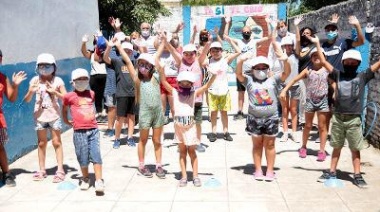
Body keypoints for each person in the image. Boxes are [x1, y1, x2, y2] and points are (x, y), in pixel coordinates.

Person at [316, 47, 380, 188]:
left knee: (355, 148)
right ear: (343, 62)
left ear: (358, 63)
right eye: (348, 62)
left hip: (354, 119)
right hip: (338, 118)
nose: (350, 64)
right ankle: (332, 172)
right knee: (336, 147)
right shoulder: (338, 74)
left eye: (353, 62)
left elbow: (377, 65)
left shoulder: (362, 76)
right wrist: (316, 43)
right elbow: (322, 61)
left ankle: (357, 175)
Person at [236, 38, 291, 181]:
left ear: (268, 69)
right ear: (253, 69)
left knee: (270, 144)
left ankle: (270, 171)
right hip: (254, 119)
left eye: (263, 68)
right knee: (257, 145)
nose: (261, 70)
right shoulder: (249, 81)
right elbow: (239, 75)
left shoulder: (273, 79)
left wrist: (285, 61)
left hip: (271, 118)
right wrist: (240, 61)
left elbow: (286, 74)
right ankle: (258, 170)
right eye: (258, 68)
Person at [158, 62, 218, 187]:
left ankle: (195, 176)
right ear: (178, 83)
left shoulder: (193, 93)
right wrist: (162, 69)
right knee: (182, 152)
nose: (185, 84)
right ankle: (184, 176)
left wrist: (214, 75)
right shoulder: (174, 92)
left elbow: (206, 86)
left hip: (190, 128)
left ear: (192, 84)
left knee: (192, 152)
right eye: (182, 82)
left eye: (188, 83)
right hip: (178, 127)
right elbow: (163, 82)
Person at [115, 38, 166, 179]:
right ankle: (142, 165)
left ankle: (159, 165)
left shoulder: (156, 76)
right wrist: (119, 47)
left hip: (157, 114)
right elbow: (128, 61)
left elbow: (156, 56)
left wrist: (164, 41)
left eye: (146, 64)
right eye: (140, 64)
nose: (143, 66)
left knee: (157, 140)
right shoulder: (137, 79)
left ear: (151, 65)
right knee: (143, 140)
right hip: (144, 114)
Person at [280, 37, 332, 162]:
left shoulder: (327, 70)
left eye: (318, 55)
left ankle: (321, 150)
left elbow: (334, 83)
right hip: (310, 101)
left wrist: (336, 93)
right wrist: (285, 89)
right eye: (313, 55)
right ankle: (303, 146)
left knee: (322, 126)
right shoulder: (308, 70)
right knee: (307, 125)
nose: (316, 57)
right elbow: (294, 80)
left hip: (323, 101)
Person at [23, 53, 66, 183]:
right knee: (41, 143)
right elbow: (26, 100)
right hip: (40, 117)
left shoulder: (58, 81)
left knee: (56, 142)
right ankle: (42, 170)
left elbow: (66, 98)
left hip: (54, 116)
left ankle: (60, 170)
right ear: (37, 67)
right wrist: (31, 91)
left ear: (53, 67)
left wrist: (55, 92)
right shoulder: (34, 81)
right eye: (41, 66)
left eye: (47, 66)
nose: (44, 68)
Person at [62, 68, 104, 193]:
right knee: (82, 156)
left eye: (84, 79)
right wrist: (66, 121)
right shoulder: (69, 96)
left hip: (93, 130)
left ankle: (99, 180)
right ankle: (85, 178)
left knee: (96, 154)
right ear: (73, 82)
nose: (81, 81)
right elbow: (64, 110)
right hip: (79, 132)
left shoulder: (91, 94)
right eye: (78, 79)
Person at [223, 15, 272, 120]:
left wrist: (268, 22)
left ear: (251, 33)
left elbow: (269, 37)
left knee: (256, 91)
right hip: (241, 71)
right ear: (242, 33)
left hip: (253, 72)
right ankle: (240, 112)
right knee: (241, 92)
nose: (246, 34)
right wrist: (227, 22)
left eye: (248, 32)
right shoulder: (239, 41)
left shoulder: (254, 42)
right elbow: (225, 36)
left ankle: (257, 112)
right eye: (244, 32)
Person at [199, 36, 241, 142]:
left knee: (224, 112)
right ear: (210, 52)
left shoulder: (226, 60)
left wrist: (230, 41)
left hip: (224, 91)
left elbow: (238, 51)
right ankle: (213, 132)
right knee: (213, 112)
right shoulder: (208, 61)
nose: (216, 52)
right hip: (212, 91)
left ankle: (226, 132)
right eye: (213, 50)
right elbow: (199, 61)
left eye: (218, 50)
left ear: (221, 51)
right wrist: (206, 46)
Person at [0, 49, 27, 186]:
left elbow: (11, 98)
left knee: (0, 147)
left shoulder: (3, 78)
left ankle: (6, 174)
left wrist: (15, 85)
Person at [103, 39, 137, 149]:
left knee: (132, 117)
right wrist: (109, 47)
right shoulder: (117, 61)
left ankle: (130, 137)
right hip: (122, 93)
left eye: (129, 51)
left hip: (133, 94)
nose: (127, 52)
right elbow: (105, 58)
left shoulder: (135, 62)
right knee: (120, 118)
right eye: (125, 50)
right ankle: (117, 138)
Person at [277, 36, 300, 142]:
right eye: (286, 45)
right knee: (285, 110)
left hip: (295, 85)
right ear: (283, 46)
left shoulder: (296, 55)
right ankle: (285, 132)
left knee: (294, 110)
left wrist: (296, 27)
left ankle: (294, 133)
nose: (288, 47)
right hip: (283, 85)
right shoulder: (281, 56)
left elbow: (298, 41)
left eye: (290, 45)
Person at [81, 33, 107, 122]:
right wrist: (84, 42)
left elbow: (106, 45)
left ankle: (106, 112)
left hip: (104, 75)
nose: (97, 44)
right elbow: (84, 52)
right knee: (96, 96)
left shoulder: (105, 53)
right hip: (94, 76)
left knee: (105, 94)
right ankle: (99, 113)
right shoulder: (91, 54)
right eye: (95, 42)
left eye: (98, 42)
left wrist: (101, 37)